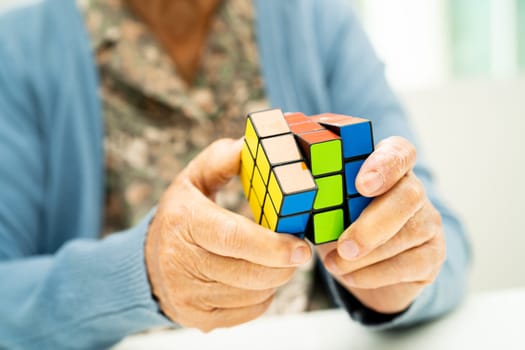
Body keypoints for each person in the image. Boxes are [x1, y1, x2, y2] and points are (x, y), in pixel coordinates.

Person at [0, 0, 470, 348]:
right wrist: (144, 275)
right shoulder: (18, 52)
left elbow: (441, 240)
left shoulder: (317, 19)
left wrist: (393, 276)